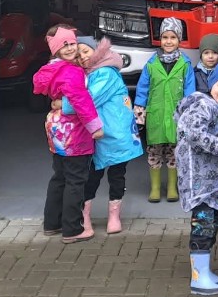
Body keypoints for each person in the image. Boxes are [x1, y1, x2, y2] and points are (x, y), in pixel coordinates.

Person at [175, 61, 218, 296]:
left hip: (211, 179)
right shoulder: (203, 105)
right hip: (199, 179)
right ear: (211, 83)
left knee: (213, 220)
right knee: (203, 223)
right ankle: (198, 276)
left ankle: (203, 270)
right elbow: (192, 133)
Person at [33, 26, 104, 243]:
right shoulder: (71, 72)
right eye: (64, 45)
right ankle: (72, 229)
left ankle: (52, 222)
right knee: (76, 179)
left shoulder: (51, 69)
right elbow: (81, 101)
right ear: (56, 49)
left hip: (56, 129)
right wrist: (95, 127)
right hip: (74, 132)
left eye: (72, 43)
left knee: (60, 176)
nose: (71, 48)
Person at [79, 37, 143, 236]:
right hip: (104, 135)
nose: (82, 57)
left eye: (86, 51)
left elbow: (88, 100)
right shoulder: (92, 72)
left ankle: (109, 217)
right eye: (78, 54)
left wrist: (61, 104)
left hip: (113, 135)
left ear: (97, 50)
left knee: (108, 176)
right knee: (98, 176)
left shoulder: (105, 73)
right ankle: (90, 217)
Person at [134, 18, 196, 202]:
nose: (169, 41)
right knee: (154, 152)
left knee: (174, 152)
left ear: (179, 40)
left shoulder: (185, 64)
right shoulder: (151, 64)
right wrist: (139, 114)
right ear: (159, 39)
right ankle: (154, 188)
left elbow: (189, 91)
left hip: (176, 116)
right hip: (156, 116)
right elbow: (142, 90)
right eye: (165, 37)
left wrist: (189, 114)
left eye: (173, 37)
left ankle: (171, 187)